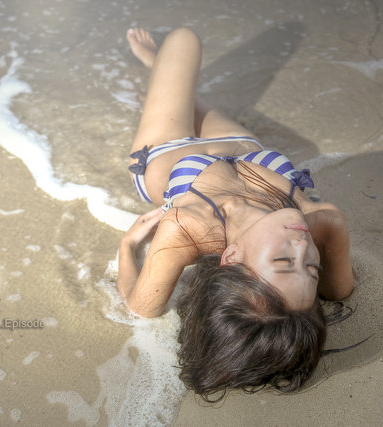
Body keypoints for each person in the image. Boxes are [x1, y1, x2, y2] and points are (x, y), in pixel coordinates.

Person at [117, 27, 354, 401]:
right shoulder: (323, 220)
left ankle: (156, 67)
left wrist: (128, 247)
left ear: (232, 257)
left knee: (184, 39)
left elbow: (139, 308)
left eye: (282, 261)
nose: (302, 247)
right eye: (311, 267)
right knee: (188, 91)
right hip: (243, 148)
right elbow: (339, 289)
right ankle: (161, 71)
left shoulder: (187, 228)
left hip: (167, 151)